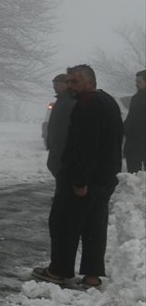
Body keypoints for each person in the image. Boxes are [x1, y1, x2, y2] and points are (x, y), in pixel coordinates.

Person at [33, 65, 124, 288]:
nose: (69, 86)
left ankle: (58, 271)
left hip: (82, 180)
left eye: (74, 82)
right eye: (68, 81)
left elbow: (85, 146)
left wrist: (79, 180)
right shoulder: (108, 101)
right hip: (104, 178)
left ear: (90, 83)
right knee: (94, 226)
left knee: (63, 223)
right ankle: (92, 275)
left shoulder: (86, 104)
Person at [45, 73, 75, 177]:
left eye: (56, 84)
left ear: (66, 84)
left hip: (63, 147)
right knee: (54, 167)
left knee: (62, 172)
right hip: (57, 146)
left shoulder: (70, 101)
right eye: (54, 85)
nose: (54, 87)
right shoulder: (61, 100)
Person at [124, 69, 146, 173]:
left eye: (139, 82)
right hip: (137, 143)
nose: (136, 84)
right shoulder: (137, 97)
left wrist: (123, 130)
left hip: (136, 144)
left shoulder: (138, 98)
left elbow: (132, 119)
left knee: (134, 177)